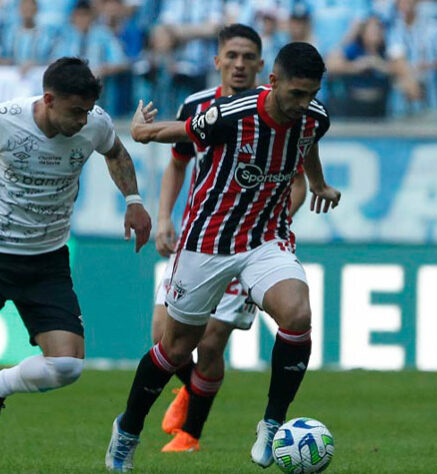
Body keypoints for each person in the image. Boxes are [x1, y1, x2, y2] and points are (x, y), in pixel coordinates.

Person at [0, 57, 152, 470]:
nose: (81, 120)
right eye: (74, 111)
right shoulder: (0, 121)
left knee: (68, 366)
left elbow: (117, 153)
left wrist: (134, 201)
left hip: (47, 260)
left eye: (87, 111)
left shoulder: (95, 122)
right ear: (48, 99)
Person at [105, 42, 341, 471]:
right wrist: (140, 131)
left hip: (265, 240)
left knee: (298, 314)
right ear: (273, 82)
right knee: (175, 348)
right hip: (207, 243)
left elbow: (307, 145)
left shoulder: (314, 117)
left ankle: (272, 424)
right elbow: (168, 136)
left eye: (311, 94)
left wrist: (319, 184)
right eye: (295, 94)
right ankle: (128, 429)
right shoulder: (232, 115)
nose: (303, 104)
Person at [151, 23, 307, 454]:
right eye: (231, 56)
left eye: (248, 58)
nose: (239, 65)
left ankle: (190, 435)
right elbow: (178, 163)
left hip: (251, 245)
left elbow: (298, 183)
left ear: (261, 66)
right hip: (201, 237)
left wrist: (265, 221)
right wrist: (164, 217)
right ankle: (191, 392)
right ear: (217, 60)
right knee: (163, 338)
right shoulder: (196, 105)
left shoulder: (281, 112)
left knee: (211, 340)